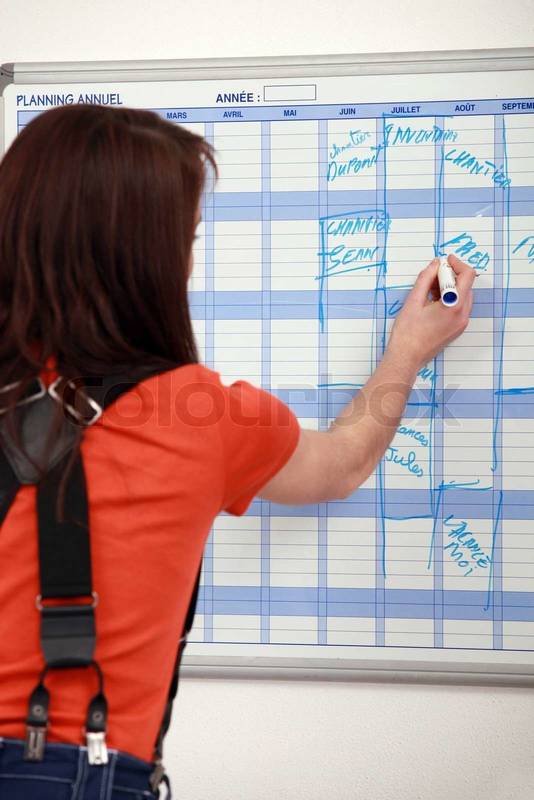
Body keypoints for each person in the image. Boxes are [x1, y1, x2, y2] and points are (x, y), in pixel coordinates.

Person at [0, 104, 475, 799]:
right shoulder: (199, 413)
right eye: (186, 237)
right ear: (146, 258)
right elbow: (344, 462)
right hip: (68, 771)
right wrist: (407, 349)